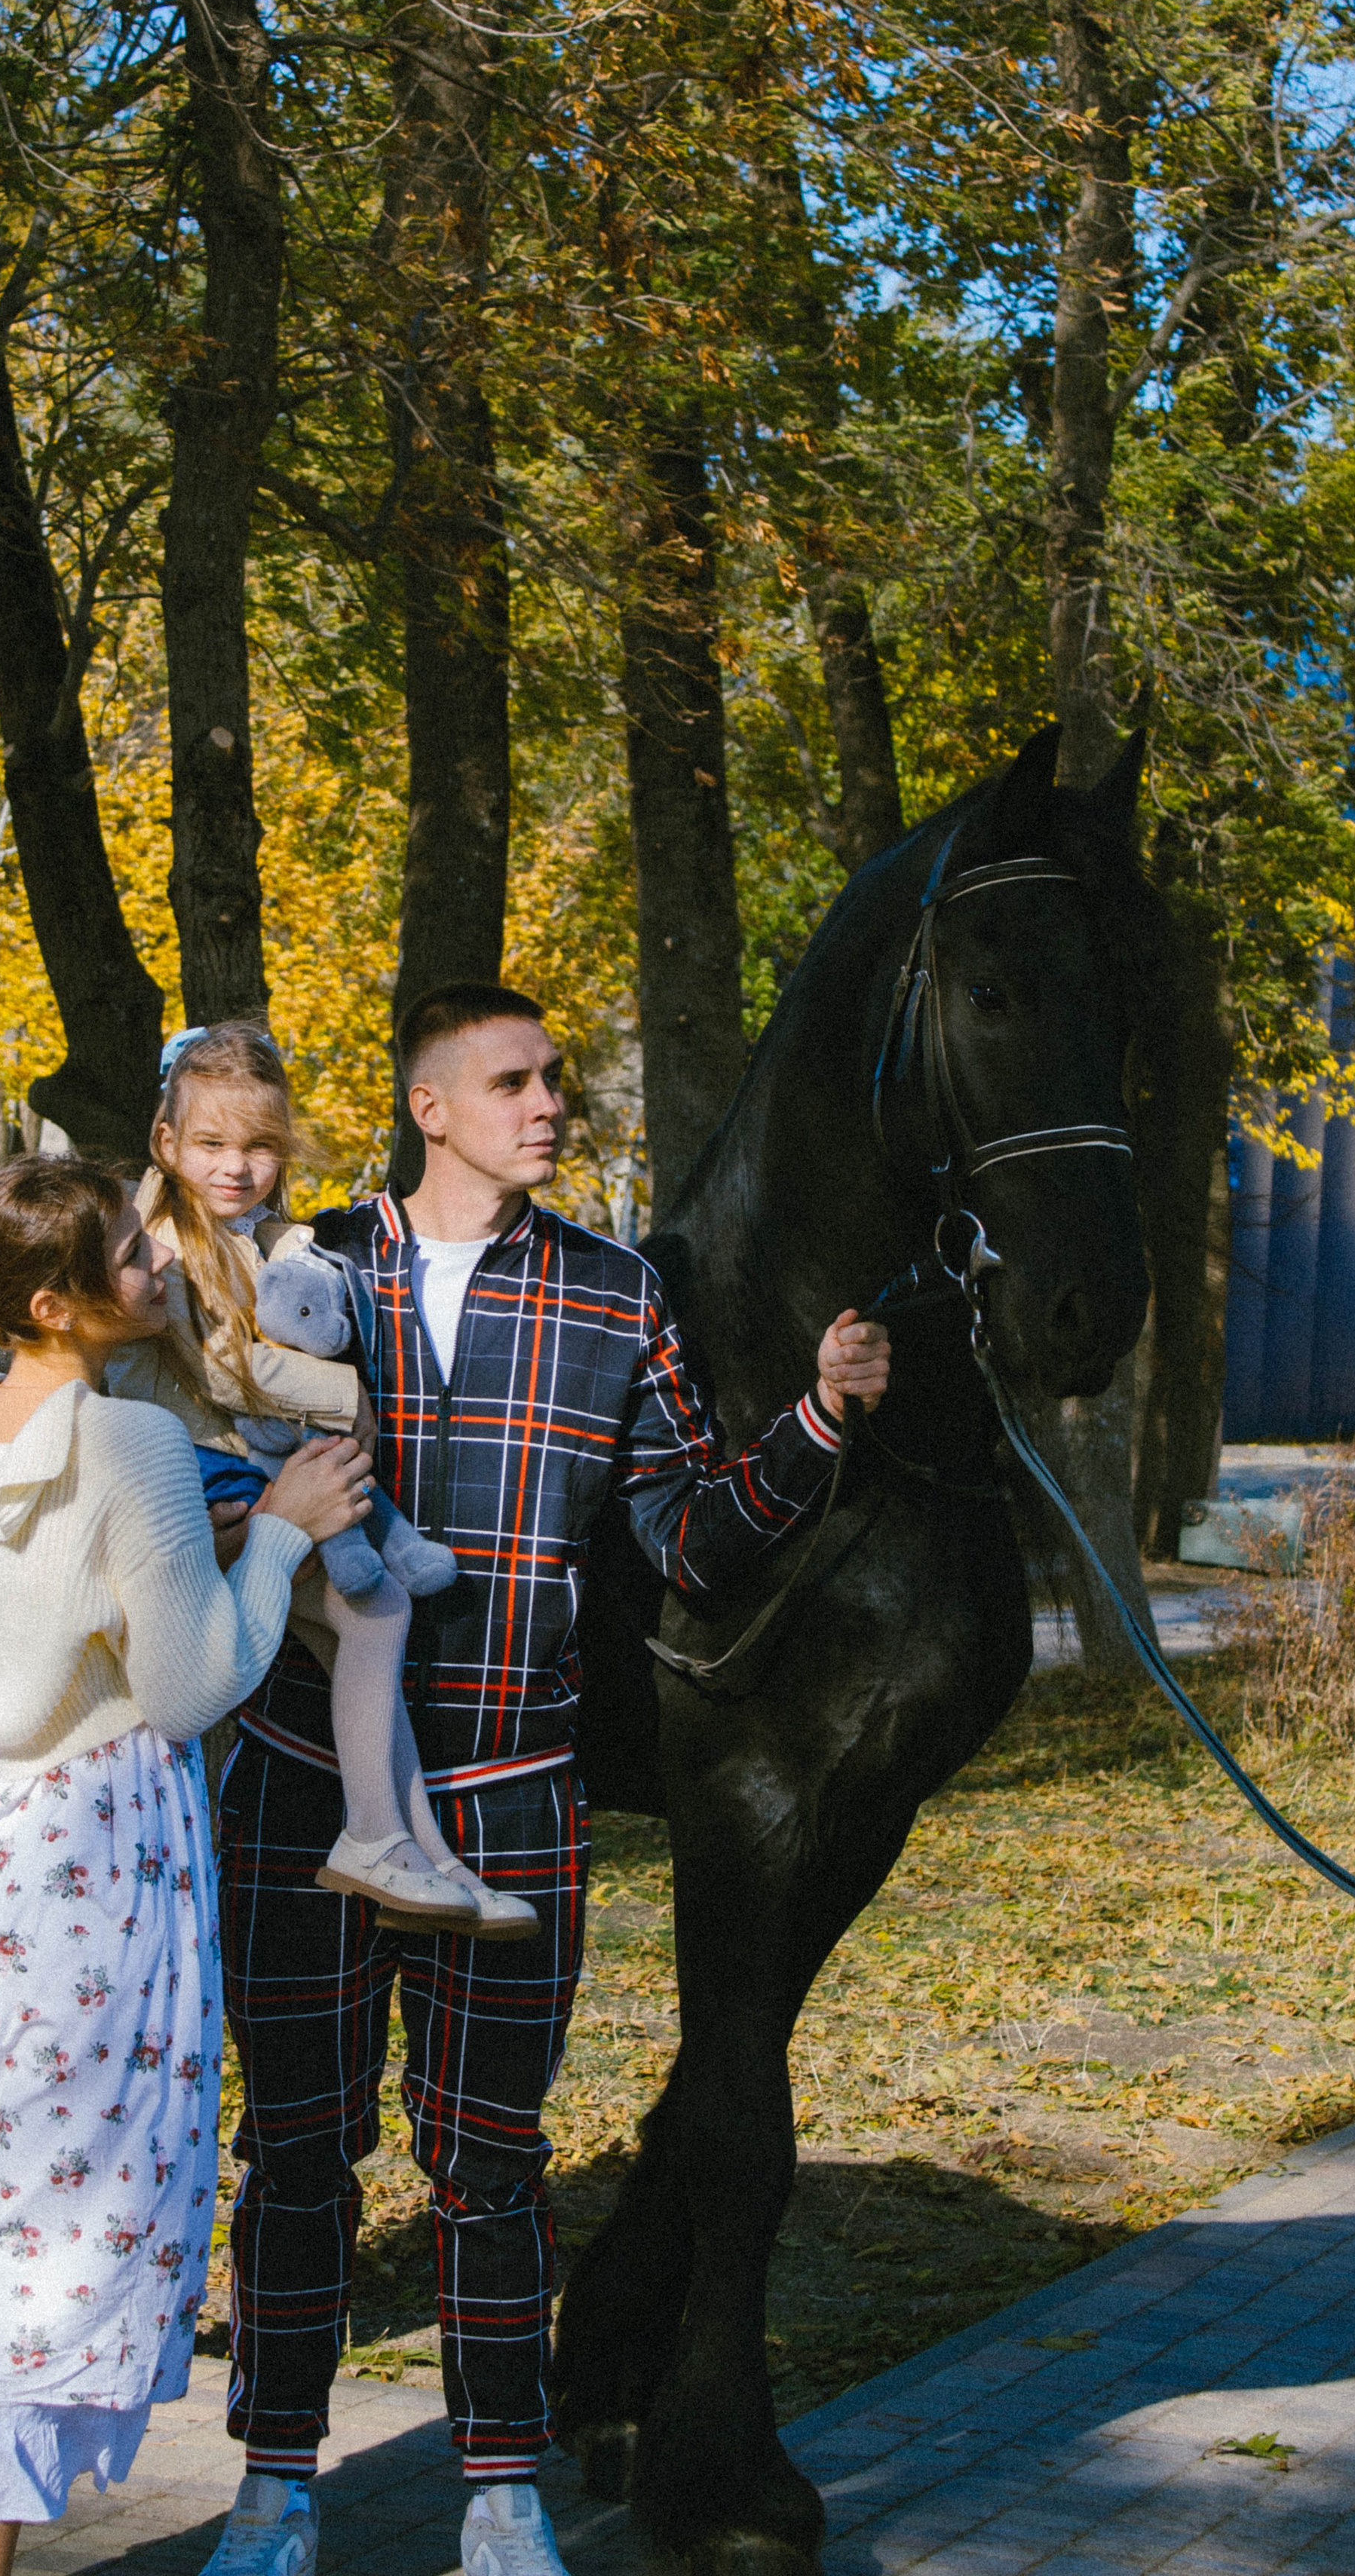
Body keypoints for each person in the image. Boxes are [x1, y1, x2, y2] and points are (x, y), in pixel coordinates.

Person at [199, 985, 892, 2576]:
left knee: (488, 2164)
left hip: (513, 1795)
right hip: (300, 1790)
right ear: (427, 1106)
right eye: (510, 1080)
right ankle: (273, 2488)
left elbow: (684, 1541)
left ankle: (500, 2495)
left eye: (554, 1078)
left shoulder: (607, 1294)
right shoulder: (297, 1271)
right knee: (298, 2153)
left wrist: (816, 1418)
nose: (547, 1102)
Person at [0, 1155, 372, 2576]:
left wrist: (105, 1595)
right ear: (53, 1301)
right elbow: (196, 1682)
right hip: (102, 1862)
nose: (157, 1256)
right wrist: (273, 1536)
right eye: (128, 1248)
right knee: (44, 2271)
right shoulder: (131, 1443)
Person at [110, 1022, 531, 1938]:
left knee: (364, 1635)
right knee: (372, 1612)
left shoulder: (254, 1235)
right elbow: (226, 1373)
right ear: (167, 1143)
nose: (237, 1166)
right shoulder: (164, 1245)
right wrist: (350, 1396)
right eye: (213, 1145)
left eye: (259, 1146)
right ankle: (378, 1839)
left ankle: (424, 1856)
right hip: (197, 1478)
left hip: (239, 1463)